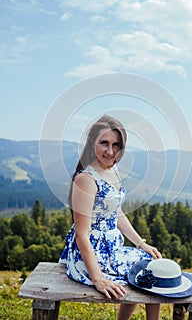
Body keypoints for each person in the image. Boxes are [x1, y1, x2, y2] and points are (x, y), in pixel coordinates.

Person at [59, 115, 162, 320]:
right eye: (104, 143)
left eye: (116, 145)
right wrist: (98, 279)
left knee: (152, 264)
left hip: (112, 248)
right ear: (92, 143)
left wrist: (142, 244)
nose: (110, 151)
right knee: (144, 274)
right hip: (91, 254)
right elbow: (82, 235)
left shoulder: (112, 169)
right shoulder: (86, 180)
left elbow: (117, 214)